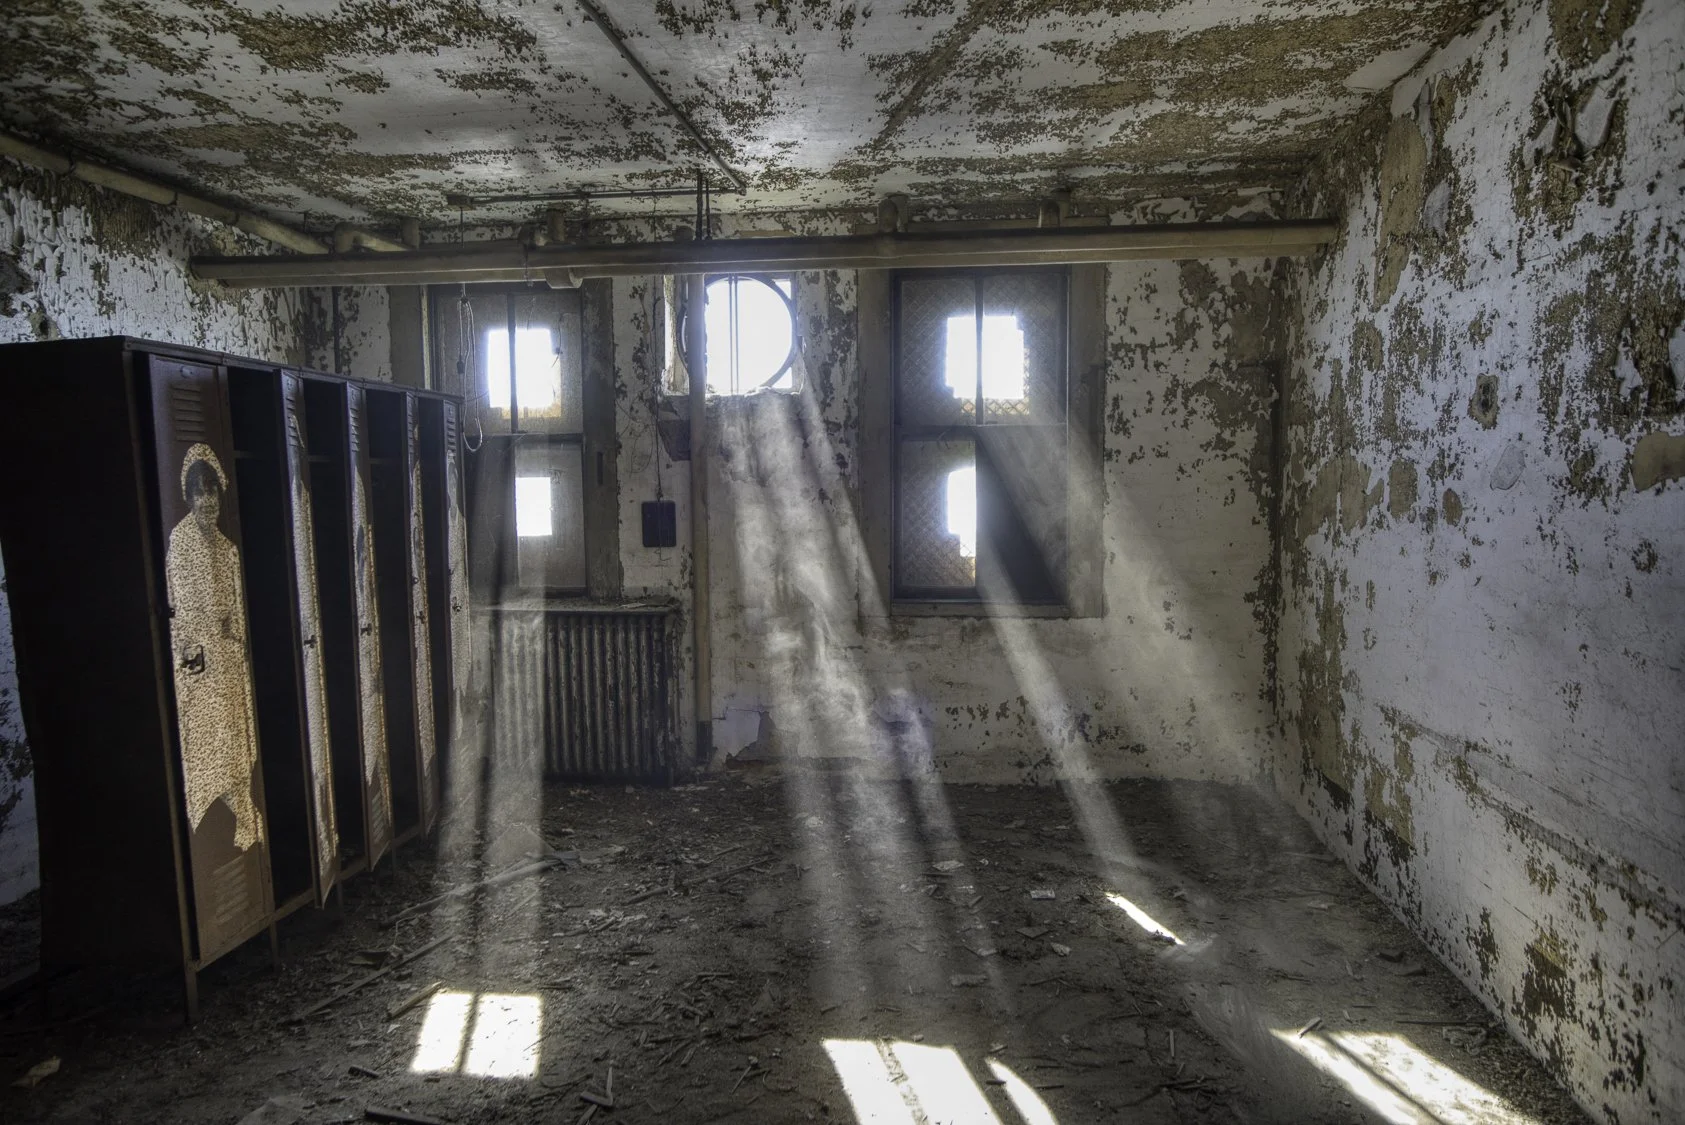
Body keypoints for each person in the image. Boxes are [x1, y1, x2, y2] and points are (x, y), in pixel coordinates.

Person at [165, 444, 264, 853]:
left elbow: (236, 620)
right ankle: (222, 828)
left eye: (212, 491)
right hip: (199, 673)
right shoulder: (180, 543)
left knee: (237, 746)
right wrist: (210, 638)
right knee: (209, 752)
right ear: (187, 498)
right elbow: (185, 620)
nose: (207, 501)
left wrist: (226, 634)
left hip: (227, 668)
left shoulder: (227, 549)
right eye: (198, 492)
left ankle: (244, 815)